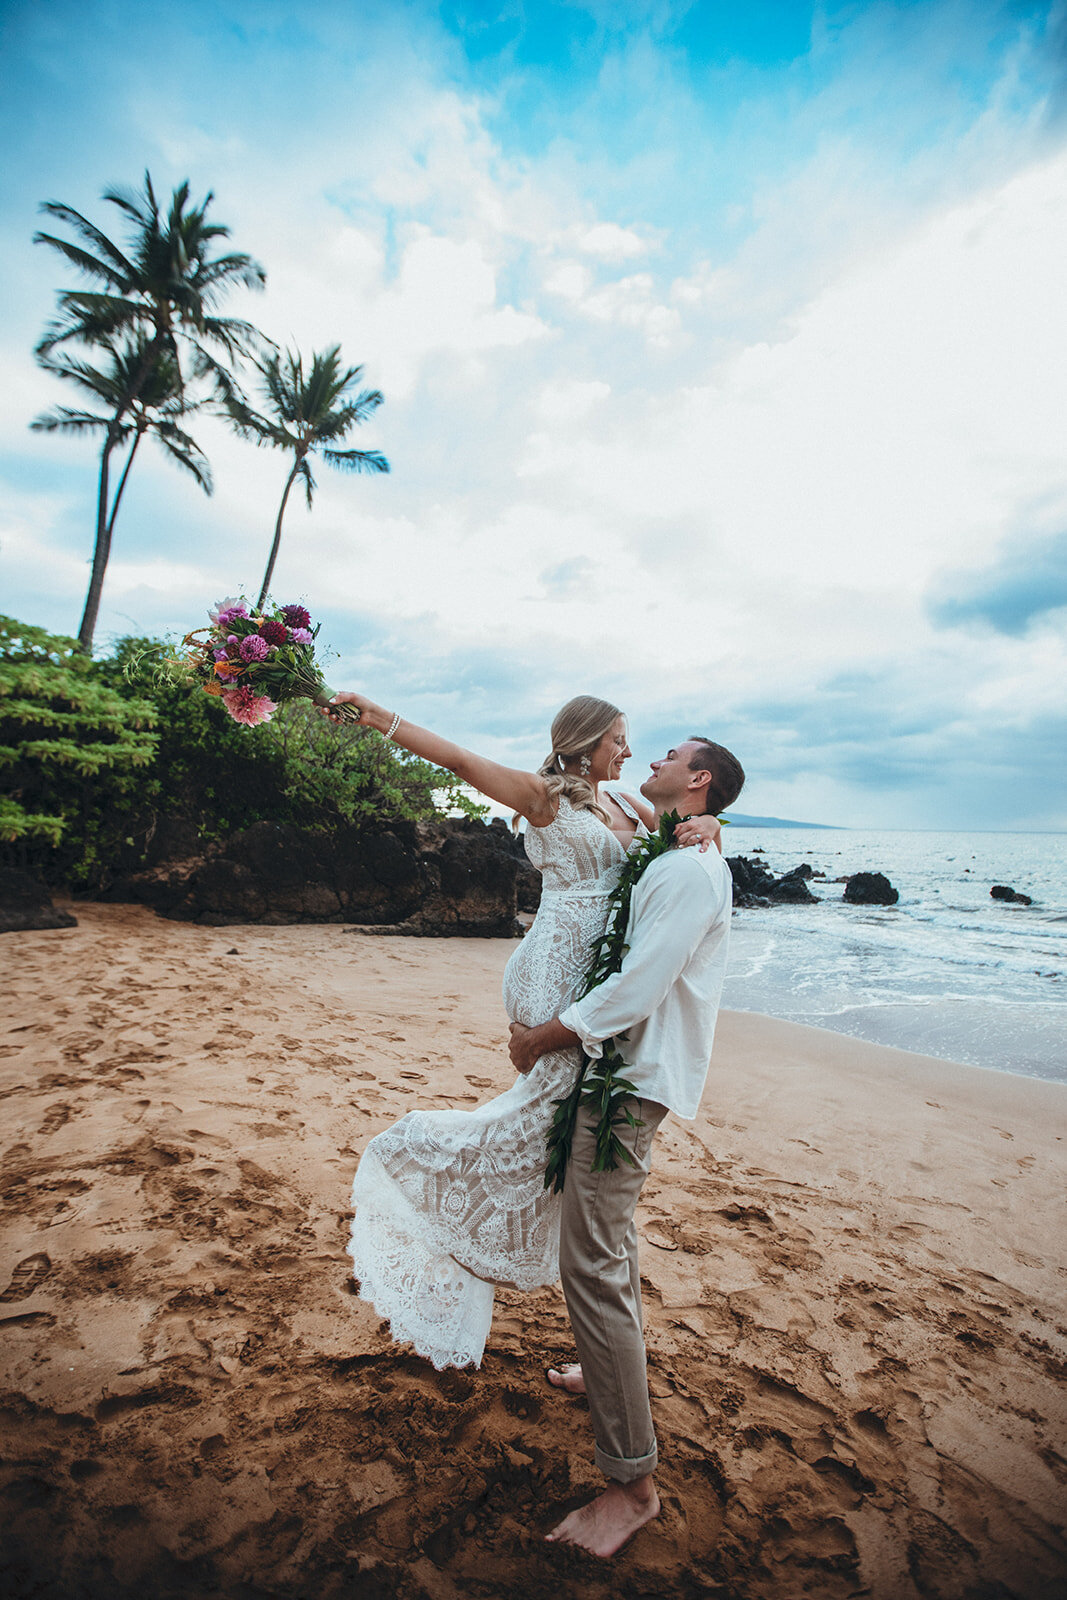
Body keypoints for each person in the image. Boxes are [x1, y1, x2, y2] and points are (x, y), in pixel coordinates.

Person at [322, 691, 722, 1370]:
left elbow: (689, 844)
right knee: (547, 1121)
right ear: (585, 742)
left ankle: (583, 1304)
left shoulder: (631, 806)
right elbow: (458, 760)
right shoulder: (544, 797)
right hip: (553, 971)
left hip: (596, 980)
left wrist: (710, 825)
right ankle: (441, 1196)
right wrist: (380, 718)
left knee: (559, 1132)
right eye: (618, 740)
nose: (628, 752)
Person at [508, 735, 745, 1558]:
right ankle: (604, 1367)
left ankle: (632, 1485)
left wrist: (544, 1035)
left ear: (698, 778)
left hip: (630, 1081)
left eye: (670, 755)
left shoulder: (686, 870)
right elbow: (643, 821)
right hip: (620, 1068)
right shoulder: (672, 845)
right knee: (609, 1242)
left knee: (589, 1264)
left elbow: (640, 984)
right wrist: (710, 827)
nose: (650, 759)